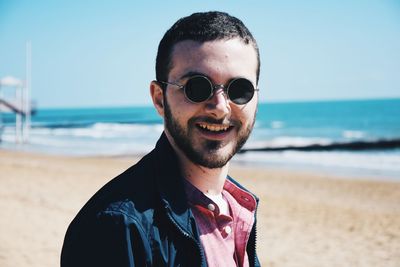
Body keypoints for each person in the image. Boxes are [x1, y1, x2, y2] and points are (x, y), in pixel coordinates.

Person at [61, 11, 261, 267]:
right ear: (159, 98)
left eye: (240, 90)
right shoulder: (115, 227)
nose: (220, 107)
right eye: (197, 87)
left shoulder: (240, 207)